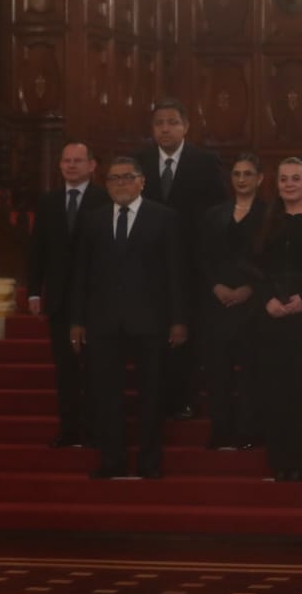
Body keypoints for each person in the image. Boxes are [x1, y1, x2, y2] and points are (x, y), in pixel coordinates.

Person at [69, 157, 187, 479]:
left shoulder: (164, 218)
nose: (120, 184)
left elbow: (176, 272)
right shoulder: (92, 220)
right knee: (106, 395)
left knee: (152, 395)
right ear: (105, 184)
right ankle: (112, 460)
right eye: (113, 179)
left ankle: (150, 462)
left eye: (127, 177)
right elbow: (80, 273)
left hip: (151, 321)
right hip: (103, 321)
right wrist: (77, 320)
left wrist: (178, 320)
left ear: (141, 182)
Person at [134, 96, 228, 420]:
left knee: (188, 332)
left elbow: (219, 212)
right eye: (160, 123)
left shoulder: (205, 161)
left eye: (173, 122)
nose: (166, 129)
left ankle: (186, 396)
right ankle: (156, 396)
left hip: (192, 263)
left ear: (186, 126)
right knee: (153, 331)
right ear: (152, 128)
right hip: (149, 264)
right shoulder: (139, 162)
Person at [248, 158, 302, 482]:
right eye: (283, 179)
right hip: (272, 318)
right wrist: (265, 299)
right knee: (276, 391)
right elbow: (253, 267)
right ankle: (280, 460)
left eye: (295, 178)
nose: (289, 184)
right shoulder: (264, 219)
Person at [27, 142, 109, 448]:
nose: (71, 165)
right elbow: (37, 251)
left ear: (92, 165)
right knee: (65, 369)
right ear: (60, 166)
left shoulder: (104, 199)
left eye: (78, 160)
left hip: (95, 299)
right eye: (67, 161)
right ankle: (69, 428)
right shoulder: (49, 202)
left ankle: (96, 428)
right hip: (60, 300)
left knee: (96, 369)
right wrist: (35, 291)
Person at [198, 152, 265, 451]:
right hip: (218, 304)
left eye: (247, 174)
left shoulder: (270, 213)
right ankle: (220, 428)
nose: (241, 179)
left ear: (260, 179)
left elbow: (272, 260)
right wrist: (215, 286)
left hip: (253, 306)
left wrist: (250, 288)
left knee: (251, 370)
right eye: (236, 174)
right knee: (218, 371)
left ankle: (248, 429)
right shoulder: (214, 214)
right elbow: (202, 257)